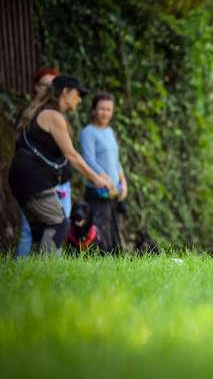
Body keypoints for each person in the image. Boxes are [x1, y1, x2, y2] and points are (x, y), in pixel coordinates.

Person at [9, 75, 113, 255]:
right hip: (32, 179)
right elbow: (72, 155)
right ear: (65, 93)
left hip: (24, 177)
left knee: (40, 230)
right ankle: (47, 269)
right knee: (58, 224)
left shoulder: (42, 111)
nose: (80, 99)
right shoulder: (53, 115)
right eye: (77, 94)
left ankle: (32, 274)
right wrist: (96, 179)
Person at [15, 67, 74, 257]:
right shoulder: (30, 115)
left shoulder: (59, 115)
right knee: (32, 231)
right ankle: (37, 271)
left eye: (54, 84)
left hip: (58, 182)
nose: (49, 88)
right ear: (35, 87)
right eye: (45, 84)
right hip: (38, 183)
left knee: (57, 228)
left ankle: (46, 272)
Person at [80, 92, 128, 254]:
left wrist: (123, 182)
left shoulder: (109, 131)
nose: (105, 113)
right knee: (98, 231)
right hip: (97, 191)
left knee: (112, 231)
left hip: (113, 192)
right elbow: (88, 160)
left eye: (109, 109)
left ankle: (112, 267)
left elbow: (115, 160)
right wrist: (106, 180)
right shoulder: (88, 132)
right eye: (101, 109)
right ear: (94, 110)